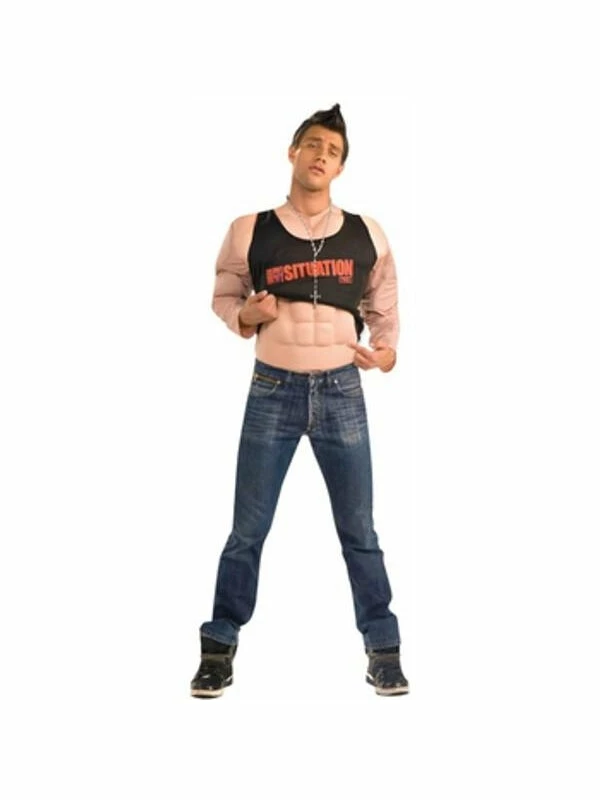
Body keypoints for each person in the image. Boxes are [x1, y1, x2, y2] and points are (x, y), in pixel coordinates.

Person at [190, 103, 409, 698]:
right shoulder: (249, 228)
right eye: (313, 144)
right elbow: (224, 294)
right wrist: (244, 314)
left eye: (333, 151)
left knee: (359, 528)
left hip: (342, 390)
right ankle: (218, 648)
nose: (321, 155)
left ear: (340, 168)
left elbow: (385, 306)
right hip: (273, 389)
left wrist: (386, 352)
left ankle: (384, 650)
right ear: (293, 152)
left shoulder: (367, 232)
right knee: (247, 529)